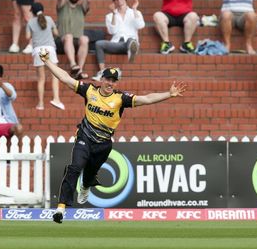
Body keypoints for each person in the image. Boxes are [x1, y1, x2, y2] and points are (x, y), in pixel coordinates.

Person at [38, 49, 187, 224]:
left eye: (113, 81)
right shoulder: (89, 90)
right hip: (84, 138)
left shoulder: (120, 98)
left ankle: (86, 186)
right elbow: (65, 78)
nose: (110, 83)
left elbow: (146, 99)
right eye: (108, 79)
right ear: (102, 79)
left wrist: (168, 94)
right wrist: (47, 62)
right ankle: (61, 209)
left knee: (89, 175)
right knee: (75, 168)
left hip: (103, 145)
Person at [91, 0, 144, 81]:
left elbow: (140, 25)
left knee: (131, 40)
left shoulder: (135, 12)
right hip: (116, 44)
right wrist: (114, 14)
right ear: (113, 1)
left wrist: (135, 9)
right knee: (99, 43)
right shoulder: (110, 16)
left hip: (130, 43)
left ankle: (131, 52)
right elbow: (112, 31)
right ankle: (102, 73)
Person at [26, 2, 65, 110]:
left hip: (38, 50)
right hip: (50, 49)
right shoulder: (49, 19)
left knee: (41, 79)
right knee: (55, 76)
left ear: (32, 12)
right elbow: (56, 33)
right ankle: (56, 99)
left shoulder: (30, 22)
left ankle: (40, 104)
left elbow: (27, 37)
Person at [57, 0, 93, 80]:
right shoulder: (62, 5)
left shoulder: (82, 7)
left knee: (85, 39)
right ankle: (73, 64)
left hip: (77, 39)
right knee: (68, 36)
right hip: (63, 39)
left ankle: (79, 70)